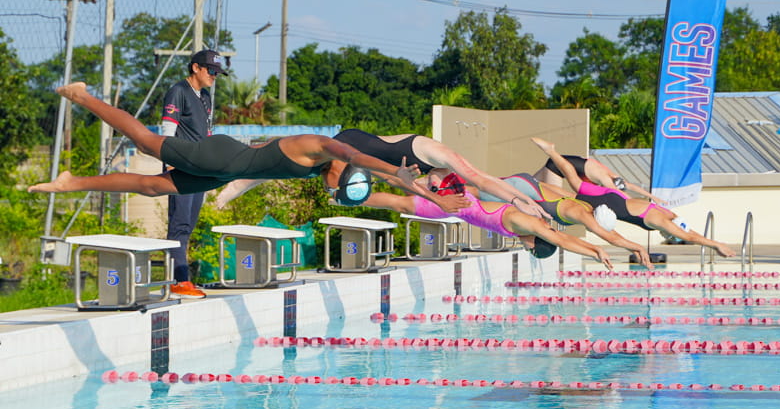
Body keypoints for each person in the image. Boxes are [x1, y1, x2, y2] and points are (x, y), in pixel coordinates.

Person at [28, 84, 440, 210]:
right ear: (341, 169)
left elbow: (384, 186)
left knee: (152, 187)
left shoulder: (323, 169)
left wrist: (429, 195)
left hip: (223, 172)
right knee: (146, 143)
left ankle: (71, 182)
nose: (331, 190)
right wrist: (394, 170)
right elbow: (358, 157)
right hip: (221, 156)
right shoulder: (322, 147)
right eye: (337, 186)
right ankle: (82, 96)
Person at [214, 128, 548, 220]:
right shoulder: (437, 154)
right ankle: (236, 178)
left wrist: (436, 200)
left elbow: (398, 181)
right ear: (445, 180)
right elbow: (481, 178)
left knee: (297, 168)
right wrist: (520, 200)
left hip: (365, 163)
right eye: (436, 188)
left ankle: (239, 177)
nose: (430, 187)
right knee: (293, 161)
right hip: (353, 145)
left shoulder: (429, 177)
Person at [349, 165, 614, 270]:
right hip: (457, 205)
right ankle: (348, 192)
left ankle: (359, 177)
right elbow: (561, 240)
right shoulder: (529, 224)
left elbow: (561, 238)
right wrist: (595, 251)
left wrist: (594, 250)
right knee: (400, 200)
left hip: (463, 200)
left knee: (406, 188)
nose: (525, 248)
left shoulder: (529, 227)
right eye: (530, 249)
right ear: (535, 242)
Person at [532, 138, 736, 258]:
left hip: (616, 197)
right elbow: (688, 236)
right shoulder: (661, 221)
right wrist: (715, 244)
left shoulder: (669, 214)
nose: (667, 235)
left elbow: (687, 231)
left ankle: (541, 170)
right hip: (611, 204)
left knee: (571, 186)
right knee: (568, 190)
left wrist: (711, 241)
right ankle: (546, 162)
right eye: (670, 235)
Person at [474, 171, 653, 268]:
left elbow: (565, 237)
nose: (595, 230)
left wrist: (595, 249)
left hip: (530, 185)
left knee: (473, 181)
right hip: (526, 189)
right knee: (470, 191)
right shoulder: (580, 213)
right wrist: (637, 247)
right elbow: (611, 238)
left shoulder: (584, 206)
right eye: (596, 228)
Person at [160, 49, 226, 299]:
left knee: (188, 224)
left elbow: (205, 133)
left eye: (217, 73)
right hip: (180, 167)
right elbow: (168, 129)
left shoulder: (205, 96)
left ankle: (181, 278)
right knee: (179, 224)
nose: (214, 76)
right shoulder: (178, 91)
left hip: (199, 168)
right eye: (211, 71)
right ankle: (178, 281)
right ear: (195, 68)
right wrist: (170, 163)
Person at [534, 152, 665, 204]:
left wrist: (653, 197)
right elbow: (617, 192)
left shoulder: (613, 175)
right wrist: (633, 202)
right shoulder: (604, 178)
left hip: (555, 163)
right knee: (553, 200)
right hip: (556, 167)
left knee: (530, 183)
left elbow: (631, 186)